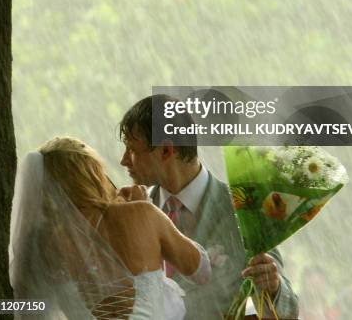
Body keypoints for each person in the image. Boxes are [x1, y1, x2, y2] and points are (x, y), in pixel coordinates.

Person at [119, 95, 300, 319]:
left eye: (132, 150)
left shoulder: (242, 212)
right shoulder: (129, 212)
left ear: (166, 150)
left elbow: (288, 311)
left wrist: (274, 288)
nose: (124, 160)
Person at [9, 137, 211, 319]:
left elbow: (31, 309)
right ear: (92, 174)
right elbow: (201, 271)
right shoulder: (143, 213)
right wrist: (146, 209)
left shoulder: (42, 244)